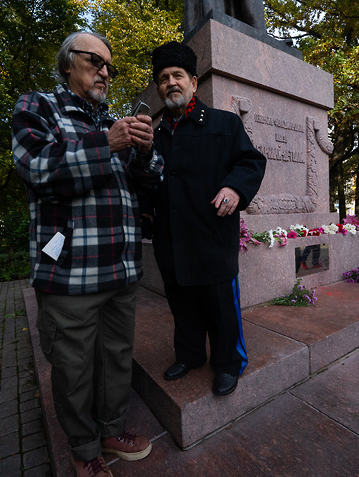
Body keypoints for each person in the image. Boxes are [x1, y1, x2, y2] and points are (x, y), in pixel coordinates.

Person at [12, 31, 162, 477]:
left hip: (121, 268)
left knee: (116, 358)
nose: (104, 72)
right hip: (70, 274)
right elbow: (37, 168)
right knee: (74, 367)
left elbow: (149, 185)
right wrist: (107, 144)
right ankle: (84, 449)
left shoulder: (112, 120)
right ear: (66, 64)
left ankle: (112, 429)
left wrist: (147, 153)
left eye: (109, 66)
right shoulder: (37, 107)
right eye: (94, 61)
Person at [145, 41, 267, 396]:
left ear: (194, 83)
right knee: (182, 303)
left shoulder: (223, 124)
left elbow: (252, 162)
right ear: (159, 87)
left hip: (212, 237)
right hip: (171, 238)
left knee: (219, 305)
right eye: (164, 78)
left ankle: (228, 363)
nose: (171, 83)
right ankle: (190, 354)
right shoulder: (154, 137)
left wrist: (234, 188)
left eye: (177, 76)